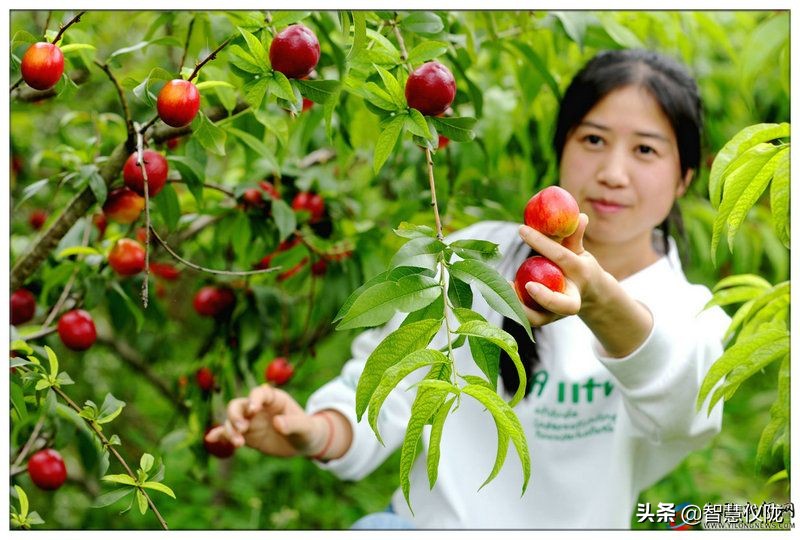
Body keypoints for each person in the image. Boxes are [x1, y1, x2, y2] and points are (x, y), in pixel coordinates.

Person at [205, 49, 730, 529]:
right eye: (593, 139)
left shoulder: (693, 314)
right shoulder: (471, 257)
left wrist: (600, 304)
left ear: (684, 176)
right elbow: (390, 398)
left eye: (645, 149)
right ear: (562, 147)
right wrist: (313, 430)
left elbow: (685, 414)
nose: (614, 173)